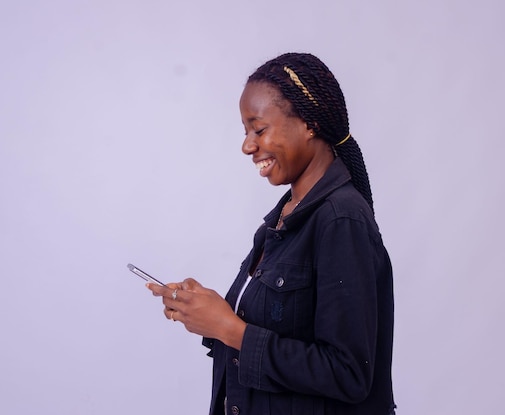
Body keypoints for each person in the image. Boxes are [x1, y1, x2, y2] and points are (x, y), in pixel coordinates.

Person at [147, 52, 396, 415]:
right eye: (245, 132)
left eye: (259, 129)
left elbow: (349, 373)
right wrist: (203, 311)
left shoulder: (341, 220)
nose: (248, 146)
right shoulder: (280, 220)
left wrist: (230, 329)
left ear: (309, 123)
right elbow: (277, 332)